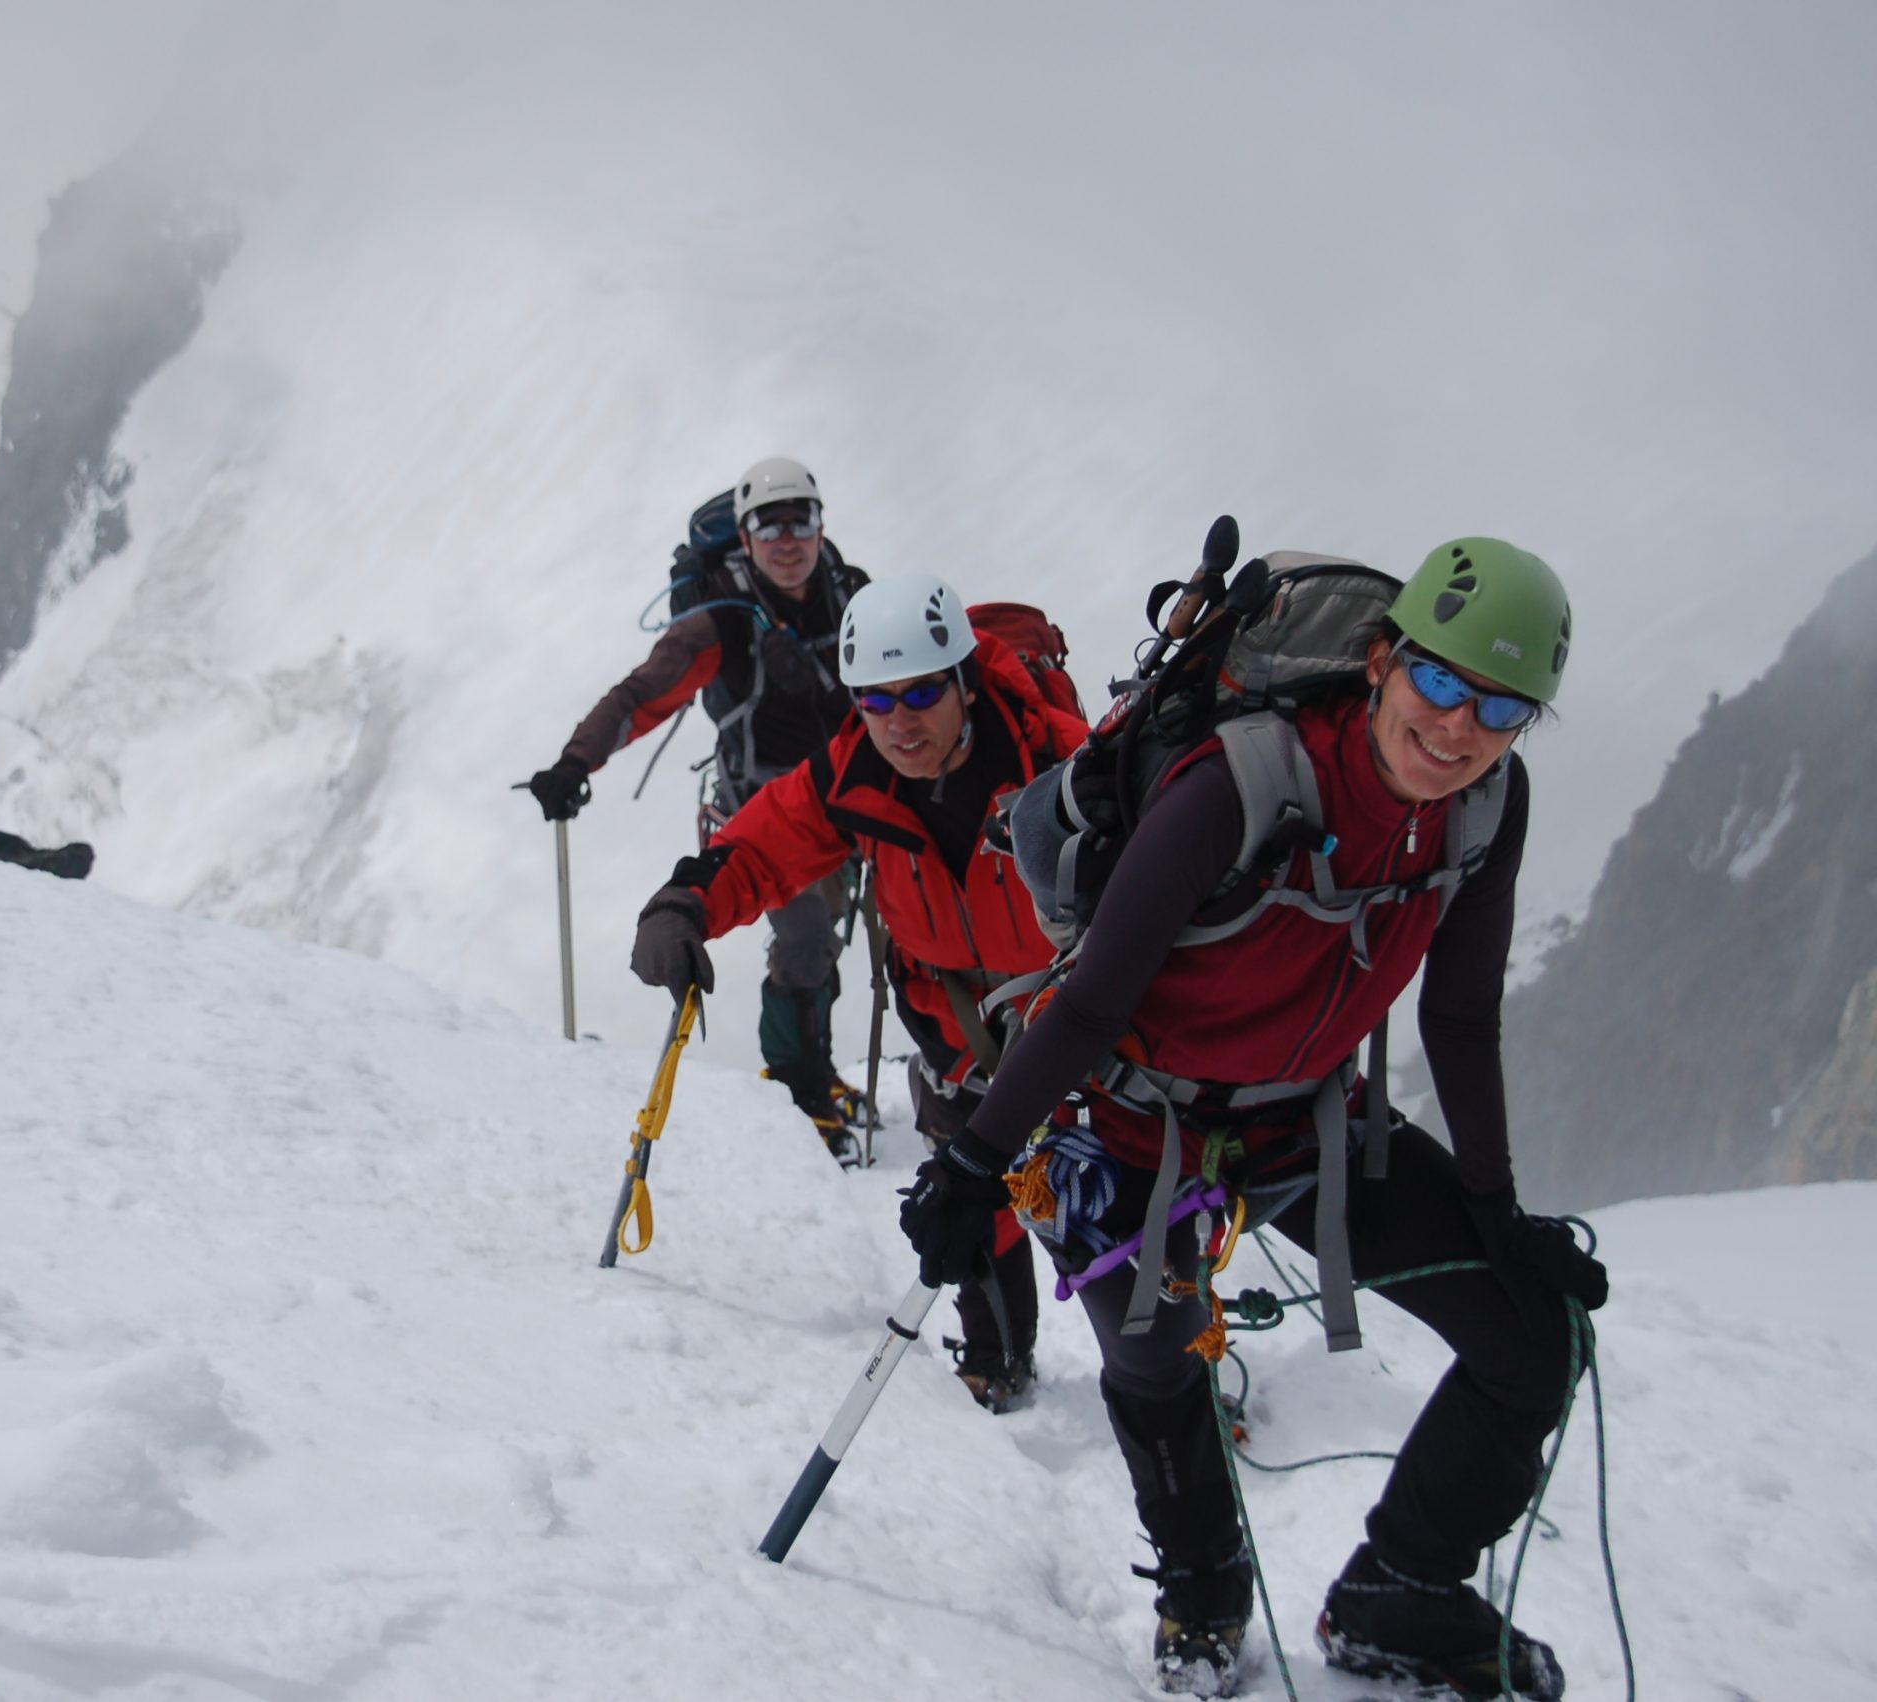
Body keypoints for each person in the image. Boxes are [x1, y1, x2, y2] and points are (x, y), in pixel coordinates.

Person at [896, 540, 1607, 1697]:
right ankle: (1203, 1593)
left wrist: (1495, 1206)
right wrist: (976, 1160)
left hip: (1315, 1122)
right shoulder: (1242, 784)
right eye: (1437, 682)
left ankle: (1402, 1590)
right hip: (1137, 1127)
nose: (1459, 727)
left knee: (1530, 1340)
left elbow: (1464, 1010)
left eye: (1501, 706)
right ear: (1381, 662)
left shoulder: (1485, 803)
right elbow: (1089, 1003)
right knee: (1153, 1349)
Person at [630, 575, 1089, 1409]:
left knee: (1118, 1207)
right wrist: (685, 903)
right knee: (973, 1199)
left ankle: (1177, 1382)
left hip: (1078, 1017)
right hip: (959, 1027)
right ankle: (997, 1360)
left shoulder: (1060, 761)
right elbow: (764, 846)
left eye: (920, 691)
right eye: (876, 700)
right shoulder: (855, 773)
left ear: (963, 679)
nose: (900, 721)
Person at [527, 456, 871, 1150]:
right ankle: (802, 1092)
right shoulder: (721, 622)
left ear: (820, 524)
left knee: (832, 946)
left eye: (797, 521)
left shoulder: (853, 595)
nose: (785, 539)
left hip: (855, 796)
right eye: (766, 526)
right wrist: (575, 762)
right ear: (743, 538)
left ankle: (818, 1073)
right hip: (766, 808)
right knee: (806, 942)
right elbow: (642, 695)